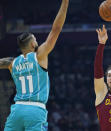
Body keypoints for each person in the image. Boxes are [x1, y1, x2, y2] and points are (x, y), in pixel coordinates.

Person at [0, 0, 69, 130]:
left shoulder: (11, 62)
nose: (37, 42)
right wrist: (65, 3)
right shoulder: (39, 55)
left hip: (17, 110)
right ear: (32, 44)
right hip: (35, 110)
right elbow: (56, 29)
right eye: (36, 40)